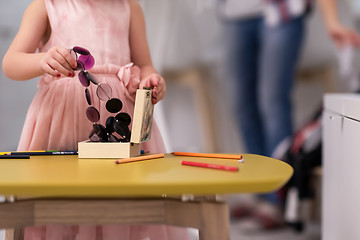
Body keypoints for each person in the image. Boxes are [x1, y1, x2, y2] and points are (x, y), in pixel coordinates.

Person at [2, 0, 189, 239]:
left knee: (118, 201)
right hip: (60, 124)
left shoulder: (129, 7)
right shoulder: (46, 6)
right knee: (60, 202)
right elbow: (11, 63)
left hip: (120, 122)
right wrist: (41, 61)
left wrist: (151, 79)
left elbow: (145, 65)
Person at [217, 0, 312, 230]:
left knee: (273, 102)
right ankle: (259, 191)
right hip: (235, 13)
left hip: (282, 11)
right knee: (242, 105)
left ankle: (278, 199)